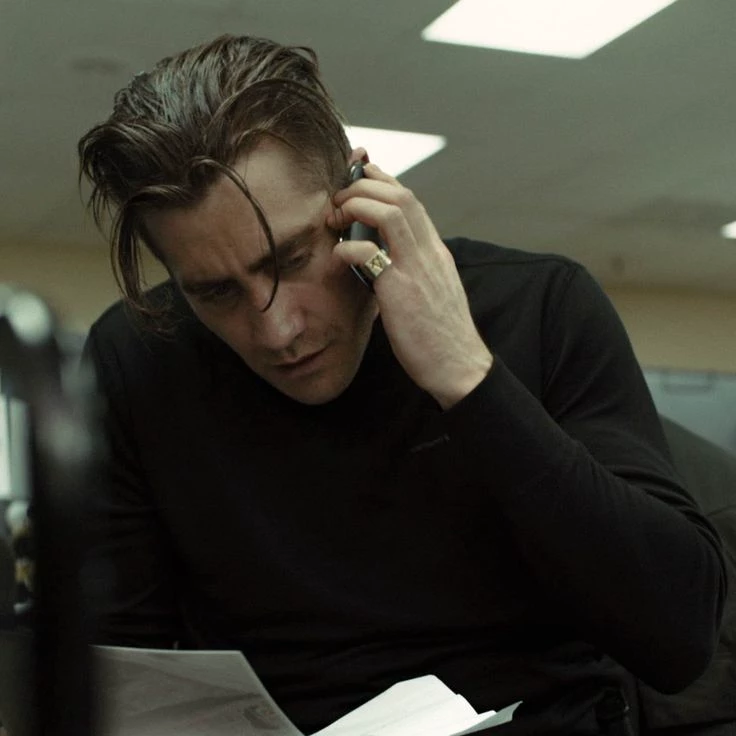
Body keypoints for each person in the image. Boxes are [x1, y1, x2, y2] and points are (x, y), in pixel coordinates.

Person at [76, 34, 726, 736]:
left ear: (359, 199)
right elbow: (116, 666)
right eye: (216, 292)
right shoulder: (138, 357)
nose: (277, 330)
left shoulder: (539, 307)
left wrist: (467, 377)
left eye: (292, 258)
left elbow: (678, 638)